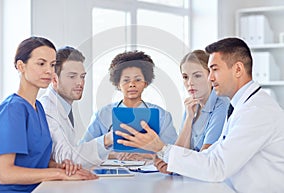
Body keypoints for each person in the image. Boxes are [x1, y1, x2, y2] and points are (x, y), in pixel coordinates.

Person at [115, 37, 284, 193]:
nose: (210, 78)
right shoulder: (241, 106)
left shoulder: (256, 111)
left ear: (238, 69)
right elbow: (211, 155)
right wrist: (172, 162)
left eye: (214, 70)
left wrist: (162, 148)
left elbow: (217, 167)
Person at [0, 37, 97, 193]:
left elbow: (36, 158)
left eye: (52, 65)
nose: (49, 71)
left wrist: (58, 166)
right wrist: (58, 174)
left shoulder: (38, 107)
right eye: (41, 63)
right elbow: (5, 174)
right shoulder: (12, 110)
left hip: (40, 189)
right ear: (20, 66)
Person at [84, 50, 178, 160]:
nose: (132, 84)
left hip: (151, 172)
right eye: (126, 80)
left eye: (138, 80)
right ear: (118, 84)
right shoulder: (102, 114)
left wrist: (145, 155)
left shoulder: (162, 116)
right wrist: (115, 155)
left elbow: (172, 151)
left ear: (145, 83)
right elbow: (85, 149)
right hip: (114, 171)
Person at [40, 46, 112, 168]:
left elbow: (72, 149)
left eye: (82, 76)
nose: (80, 83)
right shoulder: (48, 110)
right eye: (72, 76)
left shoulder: (65, 106)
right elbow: (64, 158)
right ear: (54, 79)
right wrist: (107, 140)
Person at [176, 50, 228, 151]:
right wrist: (189, 118)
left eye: (197, 76)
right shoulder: (191, 105)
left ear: (211, 76)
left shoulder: (222, 105)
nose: (190, 82)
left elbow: (206, 156)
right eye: (185, 77)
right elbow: (177, 154)